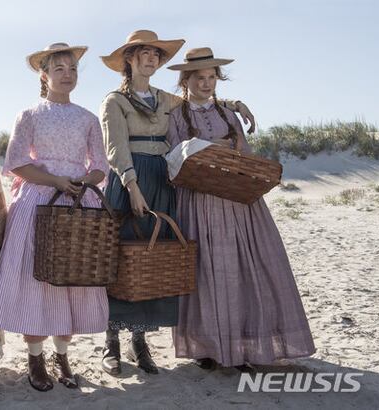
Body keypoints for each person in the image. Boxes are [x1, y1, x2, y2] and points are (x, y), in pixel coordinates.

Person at [99, 30, 256, 376]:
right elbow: (115, 148)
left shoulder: (165, 99)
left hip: (162, 179)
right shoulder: (114, 101)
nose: (150, 58)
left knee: (152, 258)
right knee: (122, 258)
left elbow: (200, 100)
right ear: (129, 60)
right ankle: (111, 342)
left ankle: (139, 341)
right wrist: (132, 185)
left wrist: (235, 104)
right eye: (143, 53)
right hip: (130, 179)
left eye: (155, 54)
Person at [166, 47, 316, 371]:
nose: (206, 83)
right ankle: (208, 348)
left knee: (243, 269)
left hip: (237, 201)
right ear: (186, 80)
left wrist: (229, 151)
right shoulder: (177, 116)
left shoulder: (228, 114)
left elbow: (243, 155)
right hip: (198, 202)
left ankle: (241, 347)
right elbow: (174, 158)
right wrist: (208, 149)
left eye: (211, 77)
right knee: (205, 273)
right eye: (199, 77)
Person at [0, 43, 110, 392]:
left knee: (72, 276)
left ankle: (62, 355)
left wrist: (81, 182)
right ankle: (35, 357)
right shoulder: (29, 115)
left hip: (77, 202)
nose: (67, 74)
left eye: (72, 68)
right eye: (59, 68)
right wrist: (56, 181)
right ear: (44, 75)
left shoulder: (88, 118)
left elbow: (101, 166)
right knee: (36, 278)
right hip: (39, 199)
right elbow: (16, 162)